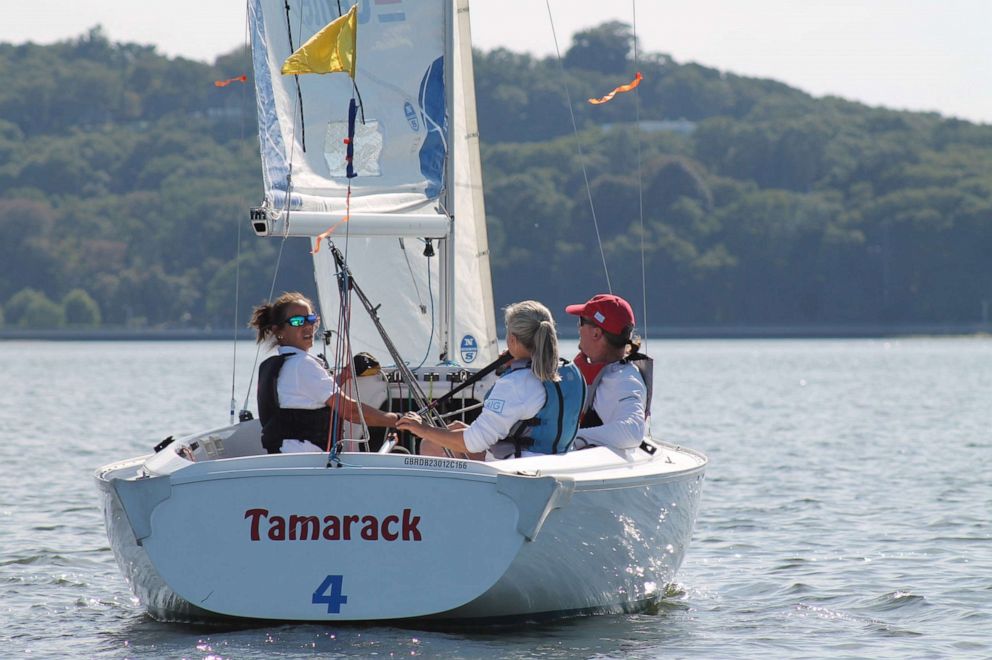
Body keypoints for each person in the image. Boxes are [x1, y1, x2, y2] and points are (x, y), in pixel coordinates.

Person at [396, 300, 579, 460]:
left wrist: (422, 429)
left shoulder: (515, 384)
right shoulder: (571, 372)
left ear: (513, 340)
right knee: (454, 429)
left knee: (429, 443)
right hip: (555, 461)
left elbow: (472, 444)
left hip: (516, 471)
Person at [249, 292, 400, 454]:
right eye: (297, 321)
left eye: (311, 319)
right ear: (279, 331)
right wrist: (399, 420)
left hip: (284, 456)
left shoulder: (280, 365)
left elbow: (310, 395)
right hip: (307, 459)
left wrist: (345, 375)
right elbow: (351, 411)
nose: (308, 326)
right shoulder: (303, 364)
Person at [565, 294, 650, 456]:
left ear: (596, 333)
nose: (578, 328)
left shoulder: (625, 380)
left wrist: (567, 438)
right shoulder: (594, 372)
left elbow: (632, 432)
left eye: (581, 322)